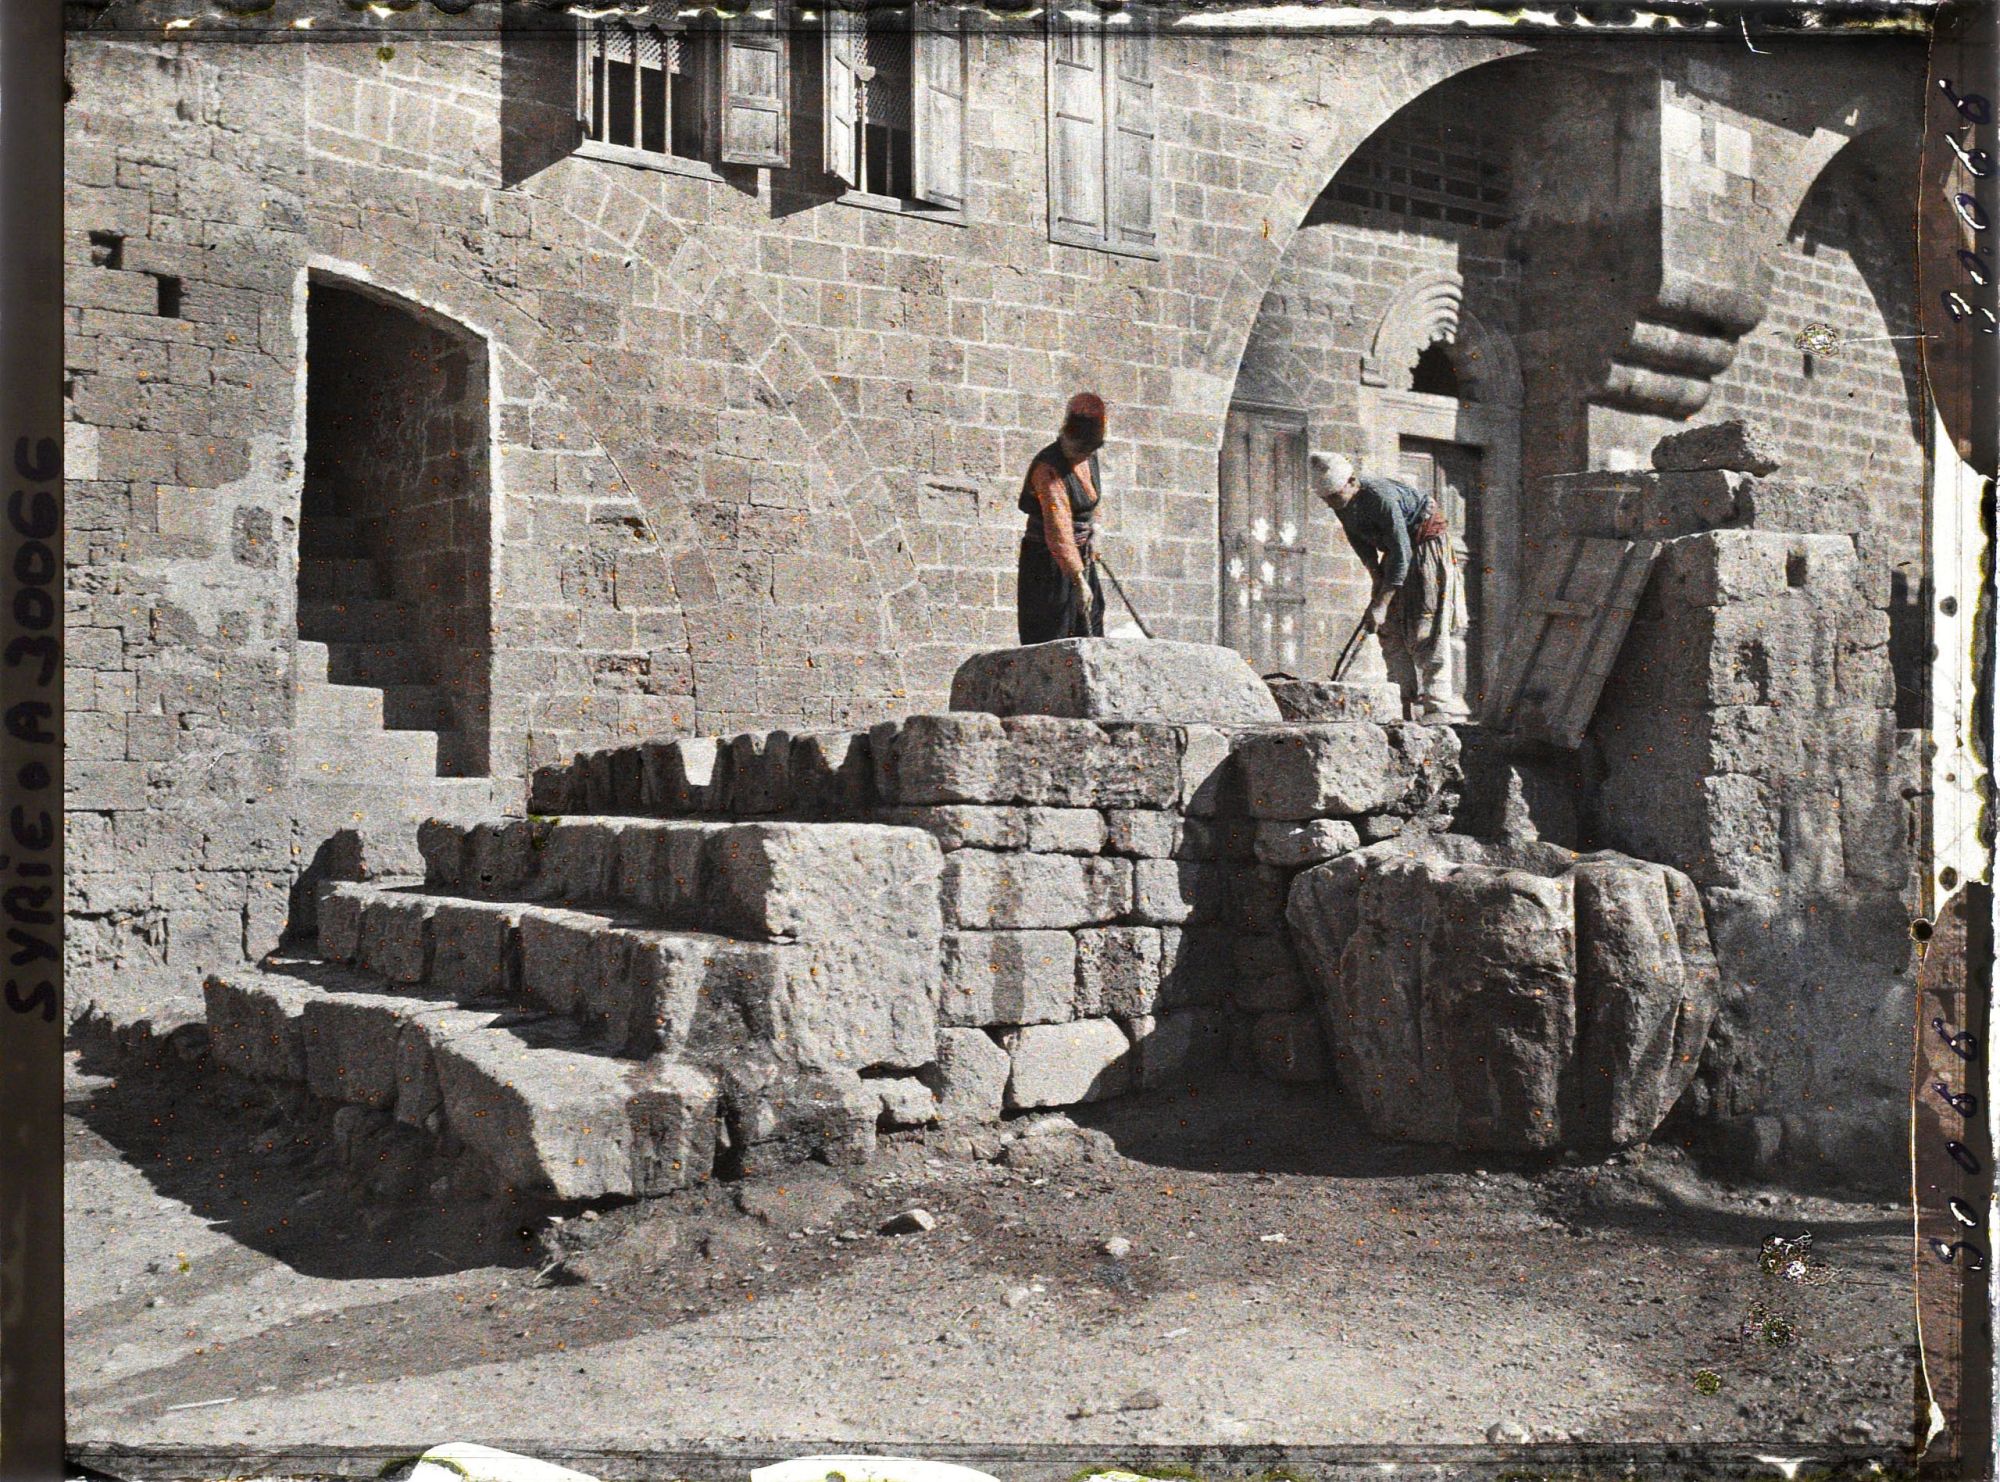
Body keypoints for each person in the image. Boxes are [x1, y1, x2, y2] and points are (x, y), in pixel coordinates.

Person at [1309, 450, 1469, 723]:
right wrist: (1376, 584)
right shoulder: (1341, 505)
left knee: (1425, 625)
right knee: (1389, 629)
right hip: (1397, 554)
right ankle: (1403, 706)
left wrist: (1381, 603)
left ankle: (1437, 707)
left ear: (1352, 482)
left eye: (1336, 497)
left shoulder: (1379, 496)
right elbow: (1362, 545)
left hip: (1425, 548)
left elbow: (1402, 551)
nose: (1333, 505)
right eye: (1328, 500)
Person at [1016, 392, 1110, 645]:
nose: (1082, 456)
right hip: (1047, 565)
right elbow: (1058, 532)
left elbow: (1092, 505)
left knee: (1091, 622)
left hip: (1080, 558)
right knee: (1053, 633)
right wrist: (1078, 580)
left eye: (1088, 451)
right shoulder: (1048, 469)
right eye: (1079, 450)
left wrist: (1095, 533)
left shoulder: (1089, 458)